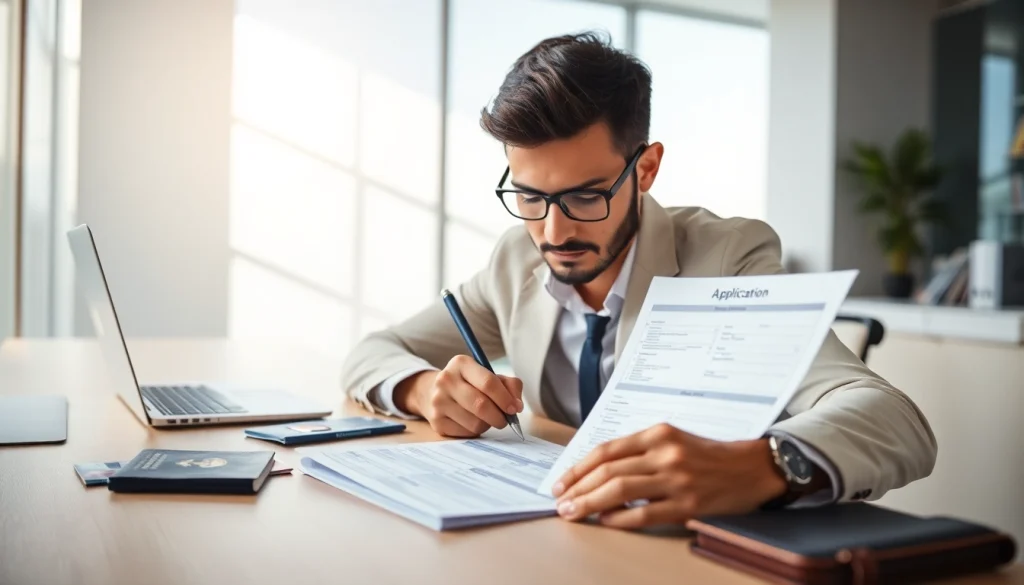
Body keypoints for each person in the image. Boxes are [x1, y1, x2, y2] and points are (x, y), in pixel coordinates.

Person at [342, 32, 936, 529]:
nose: (553, 231)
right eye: (529, 196)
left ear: (646, 169)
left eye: (585, 195)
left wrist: (763, 464)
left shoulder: (726, 258)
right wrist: (425, 390)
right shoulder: (514, 261)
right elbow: (373, 352)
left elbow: (896, 420)